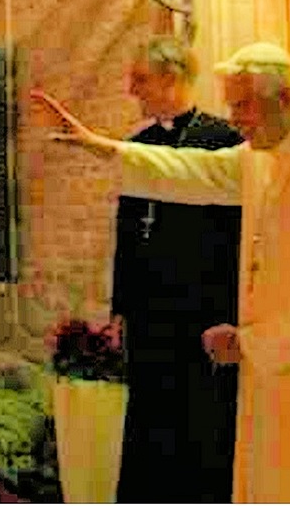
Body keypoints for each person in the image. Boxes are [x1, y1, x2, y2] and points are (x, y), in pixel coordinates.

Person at [31, 42, 290, 503]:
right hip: (285, 353)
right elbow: (195, 171)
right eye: (232, 106)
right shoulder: (261, 155)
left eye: (243, 105)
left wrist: (250, 343)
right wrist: (102, 147)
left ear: (287, 98)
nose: (235, 119)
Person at [111, 36, 244, 504]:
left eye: (140, 79)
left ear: (171, 78)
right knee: (148, 421)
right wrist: (121, 306)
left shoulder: (226, 141)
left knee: (202, 424)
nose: (132, 89)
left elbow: (238, 236)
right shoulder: (138, 145)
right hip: (149, 313)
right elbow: (127, 231)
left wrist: (234, 314)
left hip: (203, 311)